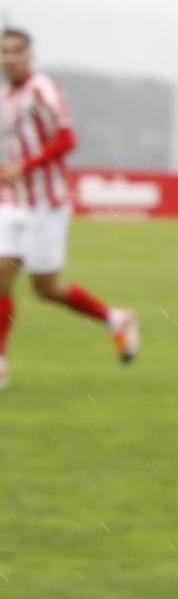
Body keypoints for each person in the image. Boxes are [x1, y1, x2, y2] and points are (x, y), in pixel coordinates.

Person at [0, 27, 139, 391]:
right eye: (4, 52)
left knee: (45, 288)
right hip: (13, 204)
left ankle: (116, 318)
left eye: (17, 51)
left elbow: (67, 138)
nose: (10, 58)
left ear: (30, 55)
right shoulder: (5, 97)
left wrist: (25, 168)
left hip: (46, 205)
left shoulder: (42, 90)